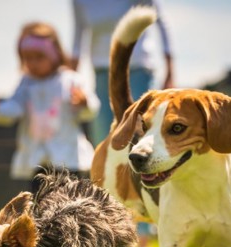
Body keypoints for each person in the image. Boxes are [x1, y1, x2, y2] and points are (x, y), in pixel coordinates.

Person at [71, 0, 173, 247]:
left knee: (143, 147)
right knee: (108, 148)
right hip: (99, 72)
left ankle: (145, 237)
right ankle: (112, 235)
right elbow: (77, 36)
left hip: (141, 67)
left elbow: (160, 23)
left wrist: (170, 66)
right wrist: (67, 83)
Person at [0, 21, 100, 194]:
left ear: (55, 53)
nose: (33, 63)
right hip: (38, 162)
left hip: (69, 160)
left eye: (39, 57)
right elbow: (14, 108)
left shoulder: (70, 80)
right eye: (27, 58)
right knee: (40, 205)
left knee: (72, 205)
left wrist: (84, 103)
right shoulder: (26, 84)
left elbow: (91, 111)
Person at [70, 0, 174, 146]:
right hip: (102, 74)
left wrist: (170, 71)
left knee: (142, 136)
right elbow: (77, 39)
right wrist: (68, 81)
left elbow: (161, 22)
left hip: (138, 70)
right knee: (104, 140)